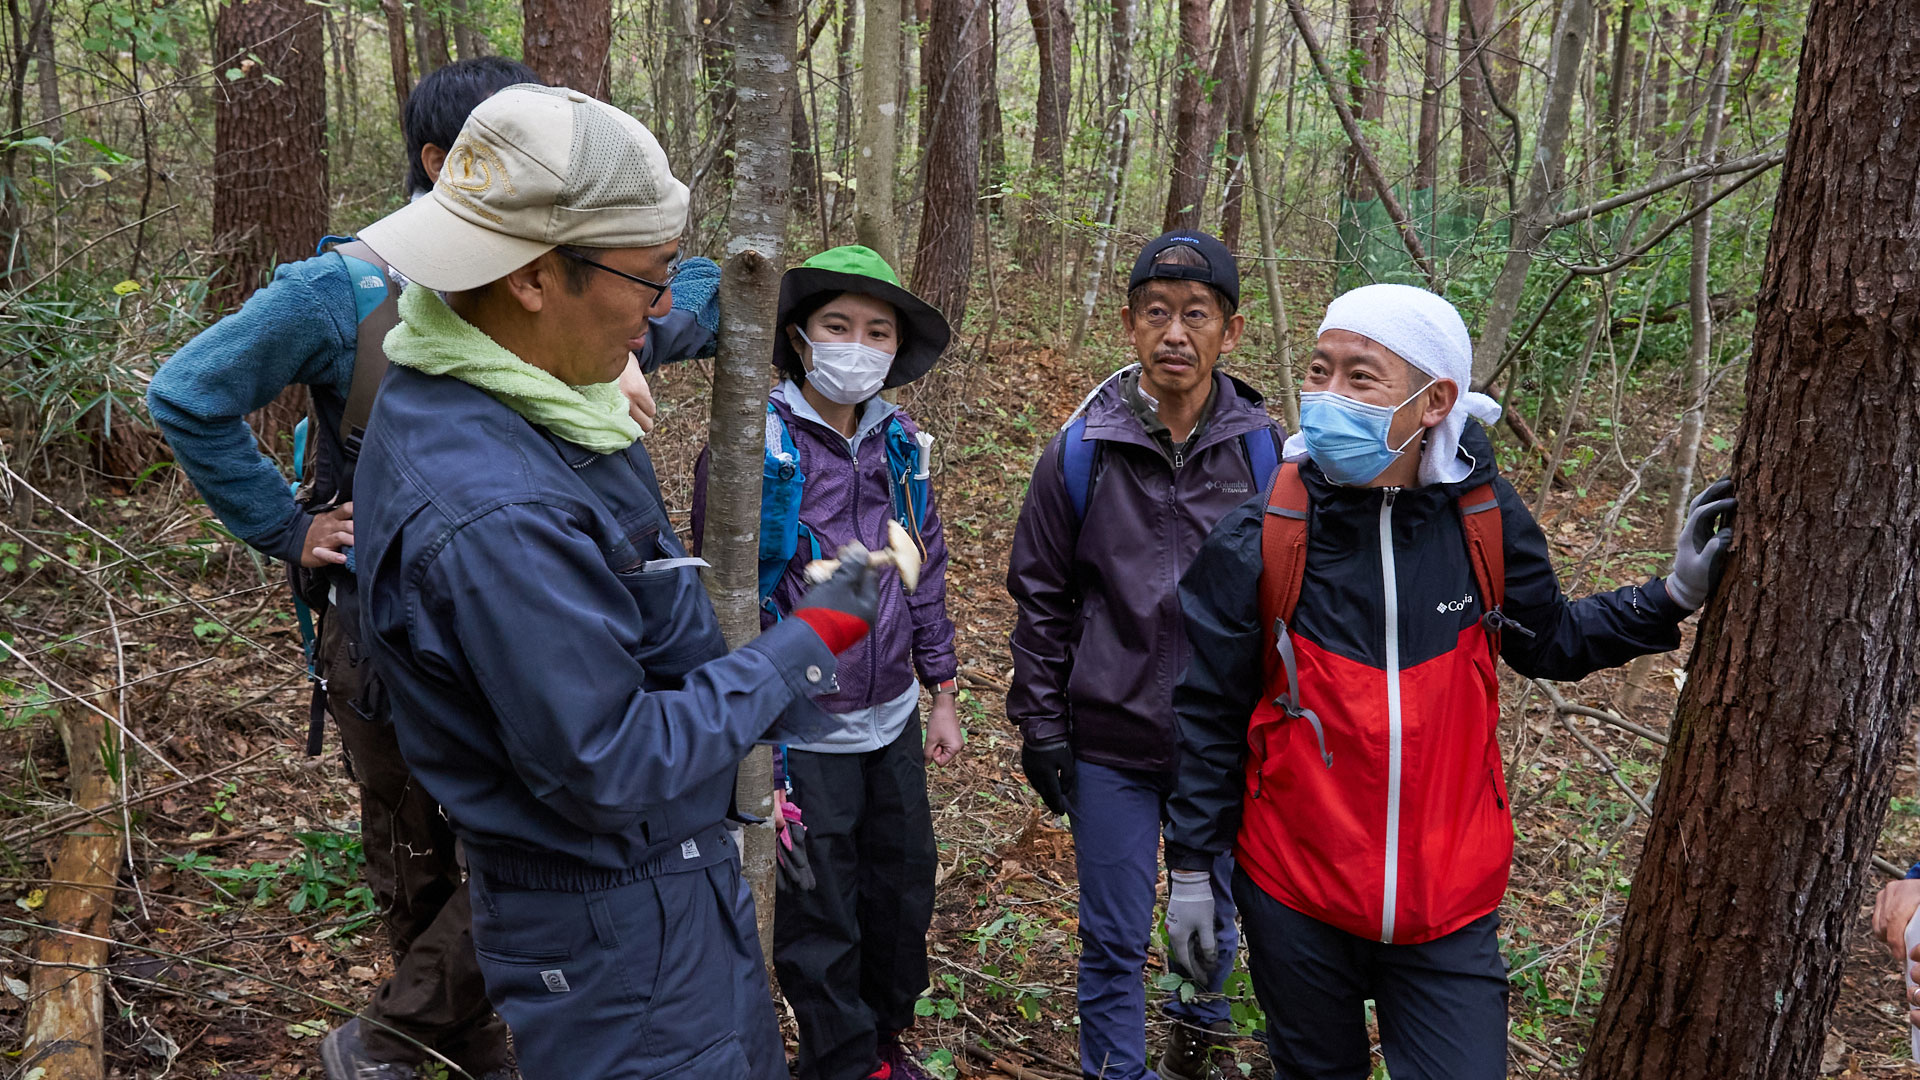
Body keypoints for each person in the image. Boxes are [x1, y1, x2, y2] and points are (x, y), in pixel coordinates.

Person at [147, 57, 716, 1080]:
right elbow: (188, 393)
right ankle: (438, 1041)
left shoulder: (576, 295)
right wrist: (287, 527)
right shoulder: (345, 287)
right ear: (440, 164)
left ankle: (423, 1031)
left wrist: (646, 331)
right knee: (416, 846)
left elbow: (702, 284)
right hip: (382, 621)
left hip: (540, 614)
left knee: (537, 828)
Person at [350, 84, 886, 1080]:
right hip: (615, 927)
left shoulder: (498, 385)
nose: (663, 309)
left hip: (653, 895)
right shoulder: (497, 512)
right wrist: (802, 646)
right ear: (532, 278)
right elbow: (609, 763)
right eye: (648, 278)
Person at [1161, 283, 1737, 1080]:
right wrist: (1192, 871)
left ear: (1435, 401)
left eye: (1360, 378)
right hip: (1297, 895)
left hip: (1450, 904)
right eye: (1320, 372)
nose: (1327, 397)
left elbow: (1550, 639)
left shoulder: (1484, 518)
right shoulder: (1266, 532)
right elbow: (1209, 716)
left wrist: (1667, 599)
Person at [1007, 231, 1284, 1080]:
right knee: (1114, 937)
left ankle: (1195, 1050)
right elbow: (1043, 597)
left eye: (1196, 315)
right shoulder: (1082, 451)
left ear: (1229, 333)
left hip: (1225, 745)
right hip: (1110, 742)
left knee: (1215, 926)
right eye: (1157, 313)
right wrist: (1043, 726)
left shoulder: (1268, 456)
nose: (1175, 334)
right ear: (1130, 324)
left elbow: (1289, 601)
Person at [701, 245, 961, 1080]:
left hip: (890, 720)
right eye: (838, 326)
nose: (859, 344)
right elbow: (725, 586)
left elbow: (926, 564)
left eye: (877, 331)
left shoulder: (903, 446)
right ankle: (844, 1062)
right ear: (800, 338)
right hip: (798, 728)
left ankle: (883, 1042)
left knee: (901, 889)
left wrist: (943, 686)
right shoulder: (757, 445)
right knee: (821, 908)